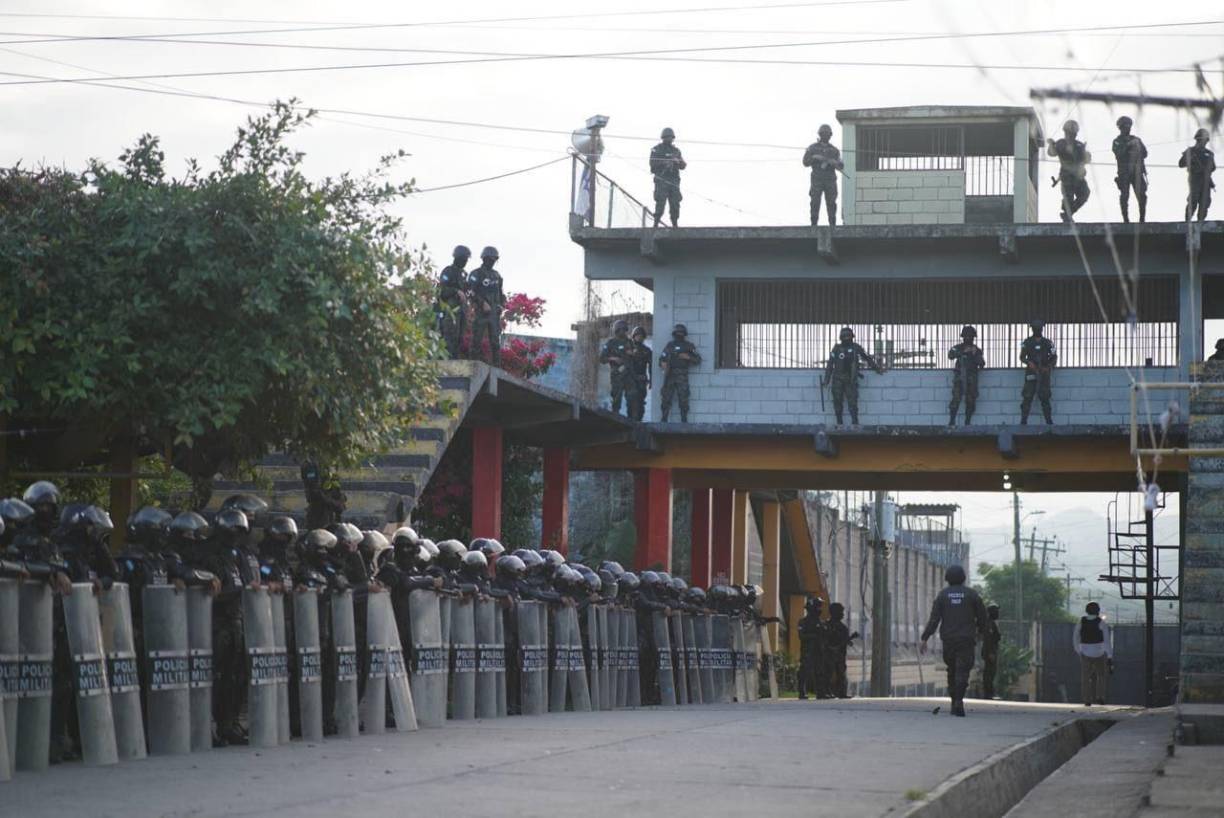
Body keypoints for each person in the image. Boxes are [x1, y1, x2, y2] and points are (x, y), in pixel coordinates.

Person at [920, 564, 989, 717]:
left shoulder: (942, 596)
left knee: (952, 670)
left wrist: (925, 638)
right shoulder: (972, 595)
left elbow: (934, 619)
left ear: (948, 579)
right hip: (966, 640)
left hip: (949, 640)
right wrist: (980, 633)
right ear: (963, 578)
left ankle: (954, 701)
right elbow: (983, 618)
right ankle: (958, 700)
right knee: (962, 671)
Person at [822, 326, 884, 426]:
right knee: (837, 401)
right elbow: (830, 365)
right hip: (838, 379)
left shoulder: (856, 348)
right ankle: (839, 423)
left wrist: (877, 368)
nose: (847, 338)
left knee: (853, 403)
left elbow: (867, 358)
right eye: (845, 336)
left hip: (851, 379)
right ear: (841, 337)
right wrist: (826, 380)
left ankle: (855, 423)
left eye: (848, 336)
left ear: (852, 337)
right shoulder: (836, 349)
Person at [468, 246, 505, 366]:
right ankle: (474, 364)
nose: (492, 261)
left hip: (494, 313)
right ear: (484, 258)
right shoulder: (476, 274)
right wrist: (482, 303)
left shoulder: (497, 275)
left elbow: (500, 293)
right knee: (477, 340)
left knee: (495, 341)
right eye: (491, 259)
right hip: (481, 312)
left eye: (495, 259)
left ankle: (497, 366)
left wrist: (501, 306)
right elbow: (470, 292)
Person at [1048, 120, 1091, 223]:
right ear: (1065, 132)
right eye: (1069, 133)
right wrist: (1051, 144)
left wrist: (1086, 155)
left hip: (1078, 176)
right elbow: (1051, 153)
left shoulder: (1079, 145)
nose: (1071, 136)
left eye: (1073, 134)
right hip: (1067, 177)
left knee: (1085, 193)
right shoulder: (1061, 143)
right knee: (1068, 198)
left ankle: (1068, 214)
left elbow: (1086, 159)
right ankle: (1067, 215)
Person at [659, 323, 702, 423]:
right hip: (669, 375)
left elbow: (698, 360)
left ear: (684, 334)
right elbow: (661, 359)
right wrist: (663, 363)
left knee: (683, 398)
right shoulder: (669, 345)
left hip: (682, 376)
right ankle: (664, 419)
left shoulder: (688, 346)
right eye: (677, 332)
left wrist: (688, 357)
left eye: (681, 333)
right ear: (674, 333)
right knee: (666, 398)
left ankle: (684, 420)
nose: (679, 334)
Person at [803, 124, 844, 226]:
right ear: (820, 134)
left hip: (830, 180)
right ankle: (813, 224)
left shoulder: (834, 150)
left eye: (827, 134)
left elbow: (841, 165)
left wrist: (834, 163)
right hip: (817, 179)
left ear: (830, 135)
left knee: (831, 203)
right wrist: (815, 157)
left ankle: (832, 225)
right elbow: (805, 162)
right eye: (823, 134)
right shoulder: (812, 148)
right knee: (815, 202)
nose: (825, 136)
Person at [1073, 601, 1112, 706]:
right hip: (1099, 652)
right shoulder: (1101, 623)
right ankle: (1100, 697)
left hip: (1085, 653)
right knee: (1101, 676)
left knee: (1085, 678)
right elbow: (1107, 640)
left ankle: (1087, 699)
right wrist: (1109, 656)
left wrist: (1079, 651)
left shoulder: (1081, 621)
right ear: (1097, 611)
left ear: (1087, 610)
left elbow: (1075, 637)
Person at [435, 245, 470, 358]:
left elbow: (468, 291)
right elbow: (441, 291)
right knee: (448, 336)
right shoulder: (448, 271)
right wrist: (455, 291)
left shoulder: (464, 274)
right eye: (463, 258)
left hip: (462, 311)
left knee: (459, 338)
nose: (465, 261)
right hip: (449, 311)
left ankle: (454, 360)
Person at [1020, 320, 1057, 425]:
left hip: (1043, 373)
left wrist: (1048, 367)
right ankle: (1023, 421)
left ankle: (1049, 422)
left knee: (1045, 398)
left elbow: (1054, 357)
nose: (1037, 330)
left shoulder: (1048, 343)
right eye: (1035, 328)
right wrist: (1029, 363)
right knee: (1027, 397)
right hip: (1031, 373)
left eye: (1039, 328)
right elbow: (1022, 357)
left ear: (1042, 329)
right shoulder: (1026, 342)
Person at [1112, 116, 1148, 223]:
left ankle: (1142, 218)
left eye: (1129, 126)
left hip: (1137, 171)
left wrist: (1137, 147)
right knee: (1124, 196)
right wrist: (1128, 145)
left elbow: (1145, 153)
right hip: (1124, 172)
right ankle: (1125, 219)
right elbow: (1118, 153)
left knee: (1142, 196)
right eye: (1125, 127)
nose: (1127, 129)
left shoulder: (1136, 139)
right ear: (1121, 128)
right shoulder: (1117, 141)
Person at [948, 325, 985, 426]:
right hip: (960, 377)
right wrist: (963, 352)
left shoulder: (976, 350)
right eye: (966, 336)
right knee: (956, 399)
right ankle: (952, 421)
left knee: (970, 400)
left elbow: (982, 364)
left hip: (971, 378)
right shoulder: (957, 347)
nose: (968, 338)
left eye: (970, 336)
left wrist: (975, 355)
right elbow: (950, 355)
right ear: (963, 337)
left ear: (973, 337)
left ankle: (967, 422)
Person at [650, 127, 686, 228]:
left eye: (671, 137)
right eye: (667, 137)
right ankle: (656, 223)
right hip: (661, 180)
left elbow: (683, 166)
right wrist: (665, 162)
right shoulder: (657, 149)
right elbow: (652, 165)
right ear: (663, 137)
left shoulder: (676, 151)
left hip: (674, 181)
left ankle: (675, 223)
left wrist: (677, 161)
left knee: (675, 203)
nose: (669, 139)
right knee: (660, 203)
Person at [599, 319, 634, 416]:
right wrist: (613, 358)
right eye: (621, 330)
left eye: (624, 330)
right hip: (617, 374)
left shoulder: (630, 342)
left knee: (631, 398)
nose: (623, 332)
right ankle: (615, 416)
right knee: (616, 397)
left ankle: (632, 420)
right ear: (617, 330)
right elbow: (602, 359)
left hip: (629, 375)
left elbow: (637, 356)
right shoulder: (611, 343)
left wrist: (633, 353)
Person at [1180, 128, 1215, 222]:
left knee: (1205, 202)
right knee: (1193, 199)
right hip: (1195, 178)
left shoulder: (1209, 154)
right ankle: (1188, 221)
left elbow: (1213, 167)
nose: (1203, 142)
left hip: (1206, 180)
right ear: (1198, 140)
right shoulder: (1191, 151)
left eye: (1205, 140)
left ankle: (1200, 221)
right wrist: (1190, 159)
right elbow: (1181, 164)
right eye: (1201, 140)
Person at [301, 460, 346, 530]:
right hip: (318, 515)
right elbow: (313, 491)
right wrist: (333, 502)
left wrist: (339, 501)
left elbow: (336, 487)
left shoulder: (331, 465)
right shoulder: (310, 465)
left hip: (332, 515)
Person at [796, 596, 826, 700]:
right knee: (804, 672)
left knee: (820, 671)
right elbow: (802, 636)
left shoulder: (822, 623)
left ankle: (821, 692)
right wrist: (814, 635)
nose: (820, 609)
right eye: (817, 607)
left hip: (819, 651)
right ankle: (802, 692)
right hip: (808, 651)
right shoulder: (803, 622)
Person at [824, 602, 855, 699]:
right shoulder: (826, 625)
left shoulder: (843, 628)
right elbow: (824, 640)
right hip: (829, 654)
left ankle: (842, 692)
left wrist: (848, 641)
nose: (843, 614)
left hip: (840, 655)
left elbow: (845, 640)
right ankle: (827, 692)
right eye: (840, 612)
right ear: (834, 612)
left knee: (841, 673)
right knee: (828, 673)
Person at [626, 326, 652, 422]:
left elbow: (651, 366)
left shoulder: (647, 350)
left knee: (640, 403)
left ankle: (638, 423)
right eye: (637, 335)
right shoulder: (628, 348)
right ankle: (630, 424)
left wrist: (651, 380)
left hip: (641, 379)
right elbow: (624, 363)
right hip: (630, 380)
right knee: (631, 403)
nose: (639, 337)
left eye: (641, 336)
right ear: (633, 336)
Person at [981, 603, 1002, 699]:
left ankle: (990, 692)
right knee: (989, 673)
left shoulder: (992, 623)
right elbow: (988, 639)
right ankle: (988, 693)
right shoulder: (989, 623)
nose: (998, 613)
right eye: (996, 611)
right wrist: (990, 653)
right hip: (990, 652)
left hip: (992, 651)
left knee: (991, 672)